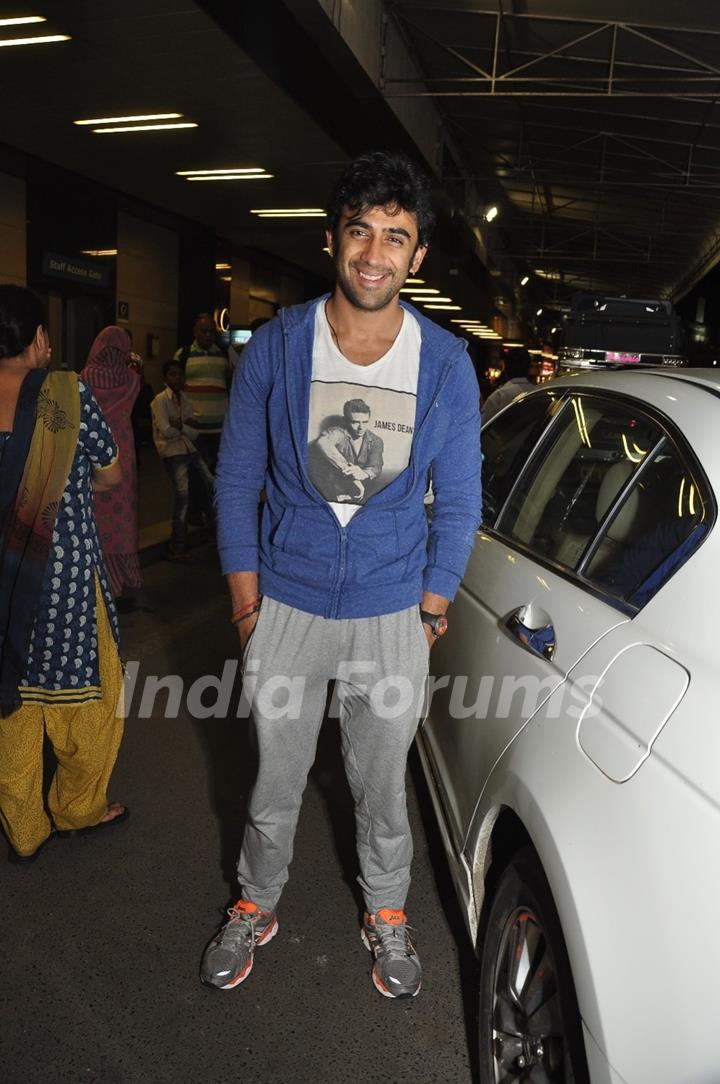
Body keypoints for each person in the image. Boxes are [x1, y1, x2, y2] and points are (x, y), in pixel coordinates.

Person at [202, 151, 481, 999]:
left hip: (393, 612)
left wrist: (430, 610)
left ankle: (387, 911)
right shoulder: (280, 349)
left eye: (396, 237)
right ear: (332, 239)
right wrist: (249, 606)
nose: (375, 252)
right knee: (274, 778)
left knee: (382, 783)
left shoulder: (445, 365)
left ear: (417, 255)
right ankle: (255, 900)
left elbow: (461, 498)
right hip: (287, 604)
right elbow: (239, 481)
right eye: (360, 230)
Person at [0, 286, 129, 863]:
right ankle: (77, 809)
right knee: (90, 703)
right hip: (64, 582)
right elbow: (110, 474)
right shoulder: (65, 392)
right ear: (38, 340)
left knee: (10, 708)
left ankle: (24, 828)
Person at [81, 327, 142, 599]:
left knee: (95, 513)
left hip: (93, 450)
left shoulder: (84, 378)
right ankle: (125, 577)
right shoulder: (131, 379)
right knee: (123, 516)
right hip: (124, 454)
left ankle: (99, 578)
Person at [151, 359, 215, 556]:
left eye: (180, 374)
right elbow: (165, 431)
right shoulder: (160, 400)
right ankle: (178, 543)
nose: (177, 378)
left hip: (188, 448)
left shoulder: (184, 398)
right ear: (165, 377)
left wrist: (179, 425)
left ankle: (213, 532)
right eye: (172, 374)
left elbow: (192, 429)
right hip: (173, 452)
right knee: (183, 497)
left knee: (211, 484)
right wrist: (182, 426)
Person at [174, 312, 229, 472]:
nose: (207, 335)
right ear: (195, 332)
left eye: (211, 331)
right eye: (203, 330)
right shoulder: (183, 355)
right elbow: (174, 389)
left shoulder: (224, 355)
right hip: (194, 428)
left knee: (218, 471)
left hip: (219, 428)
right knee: (196, 472)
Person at [309, 397, 384, 502]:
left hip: (365, 491)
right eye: (355, 422)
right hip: (333, 488)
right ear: (345, 421)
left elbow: (376, 466)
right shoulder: (338, 433)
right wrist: (350, 471)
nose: (361, 427)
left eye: (365, 422)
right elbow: (323, 442)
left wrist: (364, 473)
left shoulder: (376, 441)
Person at [481, 347, 535, 424]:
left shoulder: (499, 396)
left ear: (506, 368)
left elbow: (481, 425)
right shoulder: (538, 392)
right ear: (528, 369)